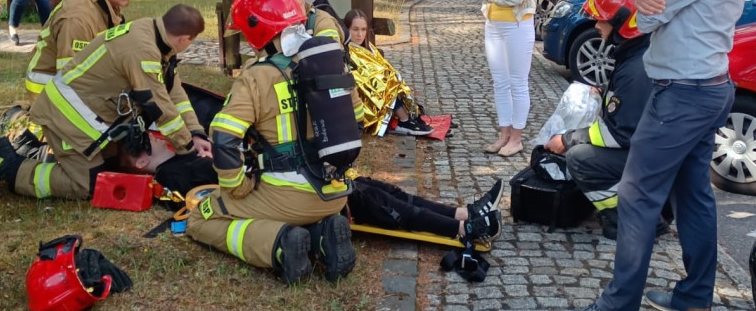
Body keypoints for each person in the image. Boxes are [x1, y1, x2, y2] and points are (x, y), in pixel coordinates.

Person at [574, 0, 746, 311]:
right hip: (707, 87)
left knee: (636, 195)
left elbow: (646, 19)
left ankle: (619, 301)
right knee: (693, 195)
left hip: (683, 94)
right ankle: (693, 297)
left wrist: (649, 4)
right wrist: (652, 1)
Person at [185, 0, 356, 285]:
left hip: (288, 197)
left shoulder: (257, 76)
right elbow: (355, 116)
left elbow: (224, 138)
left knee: (201, 216)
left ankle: (280, 245)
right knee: (300, 209)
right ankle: (320, 235)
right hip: (334, 192)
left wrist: (236, 186)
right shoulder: (327, 63)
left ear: (257, 32)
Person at [0, 5, 212, 200]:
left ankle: (32, 149)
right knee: (90, 184)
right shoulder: (143, 51)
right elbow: (158, 106)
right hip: (67, 116)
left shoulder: (151, 34)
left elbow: (175, 95)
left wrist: (196, 133)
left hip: (85, 113)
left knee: (109, 164)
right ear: (184, 38)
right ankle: (9, 166)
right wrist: (187, 149)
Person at [121, 131, 504, 245]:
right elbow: (211, 193)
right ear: (141, 162)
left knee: (373, 186)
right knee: (373, 201)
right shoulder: (170, 177)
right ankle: (461, 229)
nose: (163, 141)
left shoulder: (183, 156)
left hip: (277, 182)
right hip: (268, 196)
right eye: (155, 144)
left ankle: (462, 212)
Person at [543, 0, 662, 240]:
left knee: (580, 158)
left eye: (601, 20)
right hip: (654, 152)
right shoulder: (638, 52)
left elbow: (620, 134)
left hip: (648, 157)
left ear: (620, 22)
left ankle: (629, 218)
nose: (596, 26)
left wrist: (566, 139)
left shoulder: (635, 69)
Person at [468, 0, 543, 157]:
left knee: (518, 82)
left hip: (518, 26)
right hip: (493, 24)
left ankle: (517, 138)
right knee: (500, 82)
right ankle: (503, 134)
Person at [23, 0, 135, 101]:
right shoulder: (78, 18)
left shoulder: (103, 3)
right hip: (49, 88)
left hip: (73, 81)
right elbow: (70, 75)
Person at [343, 9, 433, 137]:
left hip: (377, 87)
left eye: (363, 30)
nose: (359, 34)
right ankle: (404, 120)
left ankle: (408, 116)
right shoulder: (348, 52)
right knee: (388, 84)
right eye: (355, 29)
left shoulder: (369, 47)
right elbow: (361, 77)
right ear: (347, 29)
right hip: (365, 94)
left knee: (394, 79)